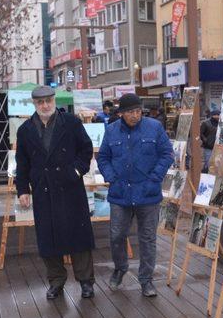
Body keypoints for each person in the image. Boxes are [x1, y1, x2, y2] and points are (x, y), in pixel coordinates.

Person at [15, 85, 96, 300]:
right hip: (43, 189)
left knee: (78, 236)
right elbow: (22, 163)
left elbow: (86, 149)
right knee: (48, 238)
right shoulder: (24, 130)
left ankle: (86, 281)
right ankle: (56, 281)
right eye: (40, 102)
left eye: (48, 101)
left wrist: (77, 171)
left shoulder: (71, 123)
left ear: (54, 100)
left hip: (70, 187)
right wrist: (22, 189)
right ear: (34, 104)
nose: (45, 105)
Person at [97, 93, 173, 297]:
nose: (135, 115)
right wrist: (111, 177)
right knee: (116, 235)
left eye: (138, 111)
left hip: (148, 193)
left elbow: (167, 154)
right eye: (130, 112)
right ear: (121, 113)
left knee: (147, 238)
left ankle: (146, 280)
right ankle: (120, 268)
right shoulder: (112, 130)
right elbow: (103, 157)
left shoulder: (154, 127)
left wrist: (155, 178)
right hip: (120, 193)